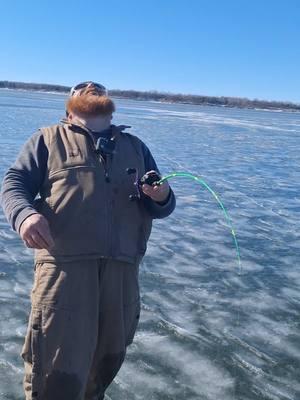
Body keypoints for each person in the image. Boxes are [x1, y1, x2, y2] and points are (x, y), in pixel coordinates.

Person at [1, 82, 176, 400]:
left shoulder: (136, 147)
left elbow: (161, 204)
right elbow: (14, 183)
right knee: (54, 368)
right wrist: (25, 215)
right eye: (82, 89)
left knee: (105, 363)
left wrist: (161, 195)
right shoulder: (48, 139)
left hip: (122, 274)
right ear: (69, 108)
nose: (91, 89)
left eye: (98, 89)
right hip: (64, 272)